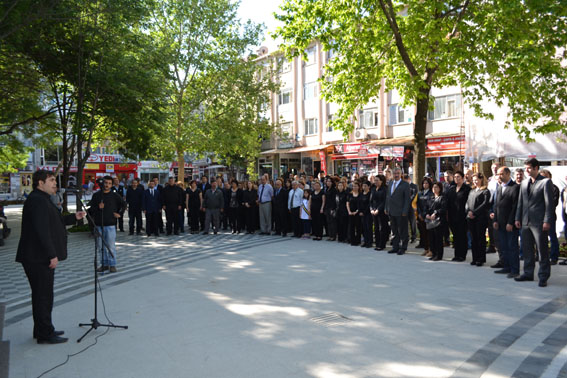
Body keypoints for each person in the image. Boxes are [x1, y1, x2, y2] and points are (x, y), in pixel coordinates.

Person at [16, 170, 86, 344]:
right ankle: (45, 334)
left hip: (36, 256)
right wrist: (51, 255)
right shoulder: (38, 200)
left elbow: (53, 222)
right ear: (40, 183)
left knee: (42, 295)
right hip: (38, 257)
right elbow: (42, 231)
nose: (55, 183)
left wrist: (73, 217)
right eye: (52, 180)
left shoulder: (41, 199)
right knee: (43, 296)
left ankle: (42, 329)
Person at [515, 158, 554, 287]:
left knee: (542, 250)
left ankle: (543, 276)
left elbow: (549, 204)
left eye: (529, 168)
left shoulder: (545, 182)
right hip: (525, 221)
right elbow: (520, 203)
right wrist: (517, 218)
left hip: (539, 222)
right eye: (526, 168)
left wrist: (547, 220)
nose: (527, 170)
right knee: (527, 249)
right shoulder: (524, 183)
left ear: (536, 168)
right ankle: (528, 273)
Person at [89, 176, 124, 273]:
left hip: (110, 225)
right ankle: (104, 264)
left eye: (109, 183)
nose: (107, 185)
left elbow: (123, 204)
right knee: (100, 246)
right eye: (105, 183)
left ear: (112, 185)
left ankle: (112, 264)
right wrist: (97, 207)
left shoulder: (114, 195)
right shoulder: (96, 195)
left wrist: (119, 214)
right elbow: (91, 210)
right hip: (99, 225)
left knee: (111, 246)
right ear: (102, 183)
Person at [492, 166, 520, 278]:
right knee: (503, 246)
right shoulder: (499, 187)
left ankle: (515, 269)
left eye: (501, 174)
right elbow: (496, 205)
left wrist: (511, 222)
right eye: (498, 174)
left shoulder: (515, 187)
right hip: (500, 223)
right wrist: (495, 220)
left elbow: (515, 206)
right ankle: (506, 266)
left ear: (508, 174)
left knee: (512, 246)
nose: (499, 176)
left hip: (510, 224)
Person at [466, 173, 491, 267]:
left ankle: (481, 259)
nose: (475, 181)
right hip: (471, 218)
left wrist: (474, 213)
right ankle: (474, 258)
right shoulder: (472, 191)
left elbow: (485, 204)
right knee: (473, 239)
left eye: (477, 179)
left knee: (480, 238)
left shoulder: (485, 191)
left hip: (480, 218)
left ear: (481, 180)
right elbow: (467, 202)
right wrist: (468, 211)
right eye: (474, 180)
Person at [446, 171, 471, 262]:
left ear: (463, 178)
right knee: (456, 236)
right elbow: (448, 202)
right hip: (453, 216)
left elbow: (469, 202)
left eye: (458, 177)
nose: (456, 179)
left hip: (462, 216)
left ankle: (462, 255)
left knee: (462, 236)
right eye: (455, 177)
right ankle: (456, 254)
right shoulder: (451, 189)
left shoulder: (467, 189)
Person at [385, 168, 411, 255]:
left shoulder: (405, 184)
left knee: (402, 230)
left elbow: (407, 199)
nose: (396, 175)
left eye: (398, 173)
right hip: (391, 211)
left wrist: (405, 211)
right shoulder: (391, 183)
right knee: (394, 230)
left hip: (401, 212)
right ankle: (395, 247)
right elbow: (388, 197)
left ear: (401, 174)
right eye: (395, 173)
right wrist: (386, 208)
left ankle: (403, 247)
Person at [540, 169, 560, 265]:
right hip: (539, 217)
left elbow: (553, 203)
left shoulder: (554, 188)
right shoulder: (538, 187)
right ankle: (540, 256)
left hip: (550, 216)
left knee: (552, 236)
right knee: (540, 238)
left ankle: (554, 256)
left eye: (545, 176)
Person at [425, 182, 447, 261]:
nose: (434, 189)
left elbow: (443, 208)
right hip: (430, 221)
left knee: (438, 239)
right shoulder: (430, 197)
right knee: (432, 238)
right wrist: (427, 214)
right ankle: (433, 253)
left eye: (436, 187)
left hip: (439, 220)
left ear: (440, 188)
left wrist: (436, 213)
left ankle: (439, 255)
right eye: (433, 187)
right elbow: (427, 208)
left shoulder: (442, 197)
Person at [417, 177, 434, 257]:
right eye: (424, 183)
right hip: (421, 216)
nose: (425, 185)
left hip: (428, 216)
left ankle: (431, 249)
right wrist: (419, 214)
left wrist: (425, 214)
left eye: (426, 183)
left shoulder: (431, 193)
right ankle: (426, 249)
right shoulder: (420, 193)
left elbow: (429, 206)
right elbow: (418, 205)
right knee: (423, 234)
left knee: (429, 234)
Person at [347, 181, 362, 246]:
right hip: (350, 212)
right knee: (351, 227)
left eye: (356, 186)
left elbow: (361, 204)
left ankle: (358, 240)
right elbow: (347, 203)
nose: (354, 187)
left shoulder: (360, 194)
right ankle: (352, 240)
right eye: (353, 186)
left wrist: (357, 211)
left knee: (358, 227)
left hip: (357, 213)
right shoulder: (350, 194)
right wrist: (349, 211)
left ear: (358, 187)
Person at [404, 174, 418, 243]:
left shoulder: (414, 186)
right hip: (404, 207)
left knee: (412, 222)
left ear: (409, 179)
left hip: (411, 206)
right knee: (405, 222)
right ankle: (406, 236)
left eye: (406, 180)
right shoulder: (403, 186)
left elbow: (414, 195)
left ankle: (414, 236)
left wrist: (408, 200)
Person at [359, 181, 372, 248]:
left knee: (368, 227)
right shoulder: (361, 194)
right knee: (363, 228)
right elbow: (359, 203)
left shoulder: (370, 194)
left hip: (368, 213)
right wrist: (360, 211)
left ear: (369, 186)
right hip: (361, 213)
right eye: (363, 186)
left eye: (365, 186)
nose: (364, 187)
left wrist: (364, 212)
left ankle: (369, 242)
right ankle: (365, 241)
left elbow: (369, 204)